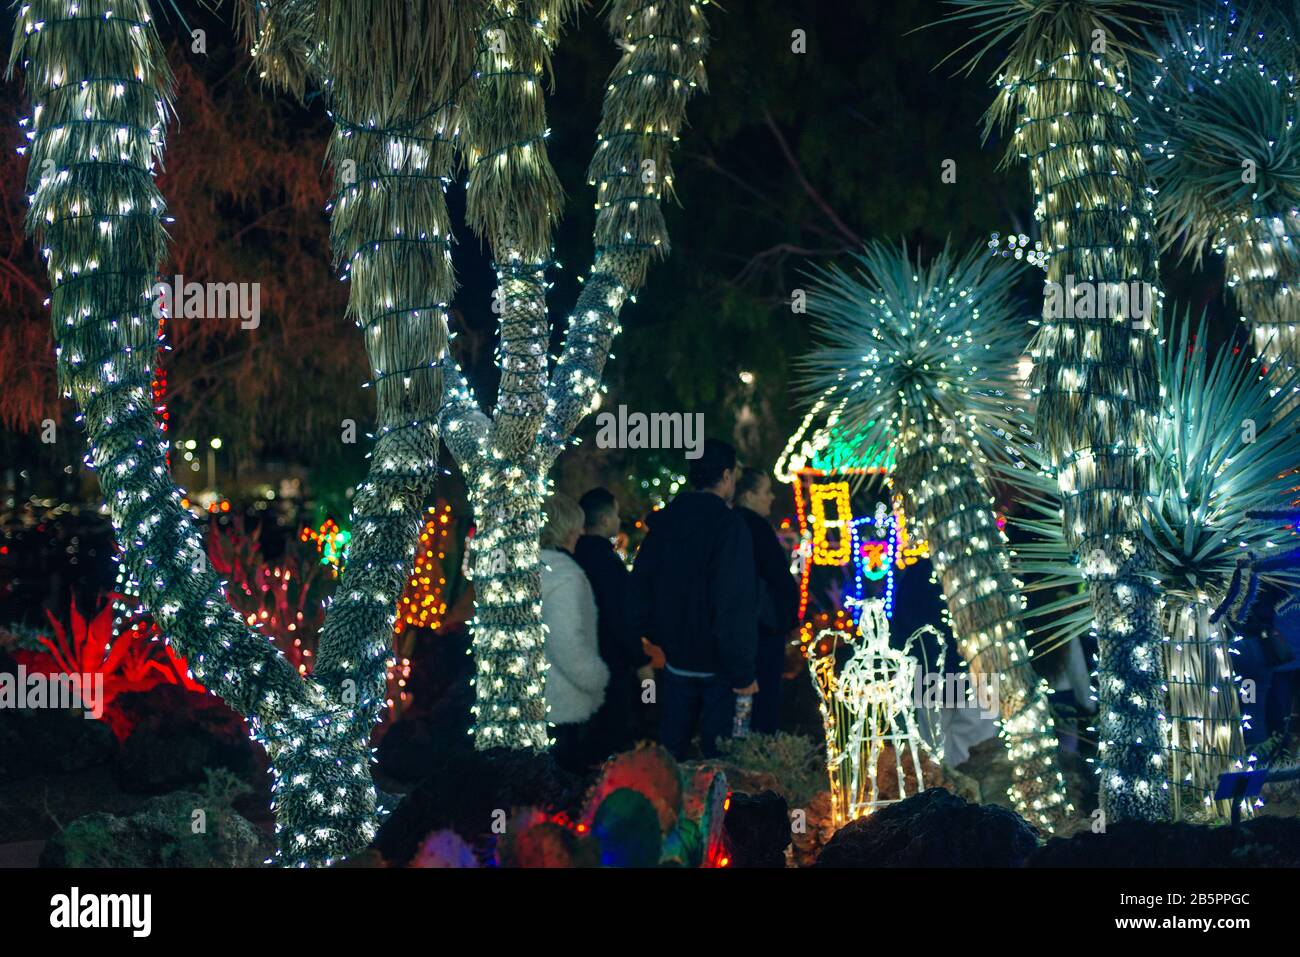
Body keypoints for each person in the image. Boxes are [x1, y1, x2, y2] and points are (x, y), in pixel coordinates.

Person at [630, 439, 758, 759]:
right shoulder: (730, 527)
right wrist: (743, 671)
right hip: (719, 669)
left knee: (672, 759)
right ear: (726, 476)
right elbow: (733, 602)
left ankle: (671, 808)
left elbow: (641, 587)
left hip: (677, 662)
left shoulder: (664, 525)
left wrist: (662, 635)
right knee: (721, 764)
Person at [573, 487, 646, 758]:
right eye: (615, 514)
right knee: (610, 738)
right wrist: (639, 660)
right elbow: (621, 618)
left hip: (575, 661)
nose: (619, 520)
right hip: (610, 664)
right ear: (604, 520)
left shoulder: (573, 558)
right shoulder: (608, 563)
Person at [539, 492, 609, 773]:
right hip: (562, 704)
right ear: (567, 529)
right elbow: (566, 641)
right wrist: (596, 678)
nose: (582, 531)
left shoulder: (520, 570)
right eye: (577, 525)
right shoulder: (565, 575)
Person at [733, 467, 800, 734]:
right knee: (763, 706)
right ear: (749, 495)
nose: (771, 498)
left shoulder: (732, 524)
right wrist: (787, 618)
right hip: (762, 630)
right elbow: (777, 578)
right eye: (766, 491)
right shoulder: (756, 529)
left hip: (743, 630)